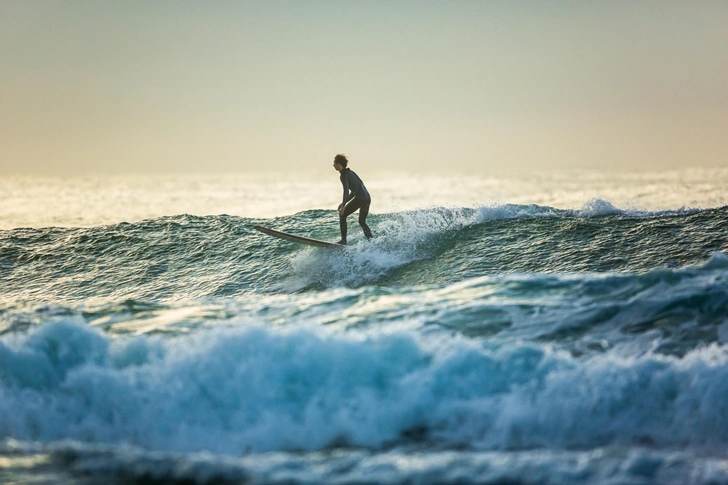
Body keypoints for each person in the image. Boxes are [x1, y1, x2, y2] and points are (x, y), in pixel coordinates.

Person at [333, 154, 373, 245]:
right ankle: (371, 241)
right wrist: (344, 202)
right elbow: (355, 190)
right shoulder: (351, 173)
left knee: (342, 216)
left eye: (334, 163)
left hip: (360, 198)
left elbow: (346, 190)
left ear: (339, 164)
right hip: (367, 198)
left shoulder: (343, 175)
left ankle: (343, 240)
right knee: (362, 221)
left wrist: (343, 205)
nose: (333, 165)